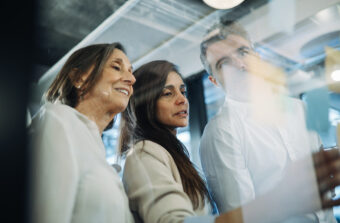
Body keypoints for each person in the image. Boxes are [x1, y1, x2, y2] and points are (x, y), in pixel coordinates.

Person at [120, 60, 340, 223]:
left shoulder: (172, 155)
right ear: (146, 104)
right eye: (167, 94)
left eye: (183, 90)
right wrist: (276, 202)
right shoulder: (144, 153)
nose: (182, 99)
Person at [199, 20, 336, 222]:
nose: (239, 64)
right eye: (224, 63)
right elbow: (242, 216)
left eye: (243, 52)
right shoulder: (220, 132)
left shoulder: (299, 109)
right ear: (214, 81)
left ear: (258, 56)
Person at [30, 43, 136, 223]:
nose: (131, 79)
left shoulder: (95, 147)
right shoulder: (57, 120)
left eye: (131, 71)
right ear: (79, 78)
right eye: (117, 67)